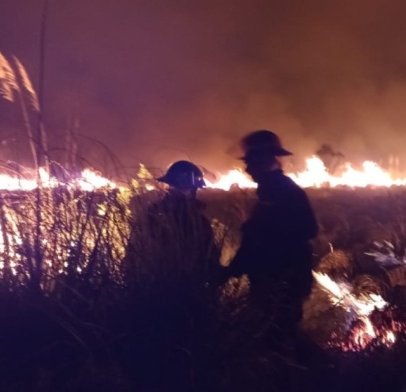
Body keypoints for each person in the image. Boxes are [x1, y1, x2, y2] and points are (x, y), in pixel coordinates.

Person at [224, 130, 318, 344]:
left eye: (251, 162)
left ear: (265, 160)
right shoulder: (271, 192)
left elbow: (307, 230)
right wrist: (233, 269)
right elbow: (256, 239)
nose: (247, 168)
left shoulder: (285, 192)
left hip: (282, 280)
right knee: (275, 334)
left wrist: (266, 237)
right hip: (276, 279)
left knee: (277, 336)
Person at [125, 160, 220, 297]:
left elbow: (133, 253)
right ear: (190, 187)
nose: (196, 192)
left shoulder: (151, 214)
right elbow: (209, 257)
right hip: (187, 293)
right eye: (195, 188)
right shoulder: (195, 220)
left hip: (150, 293)